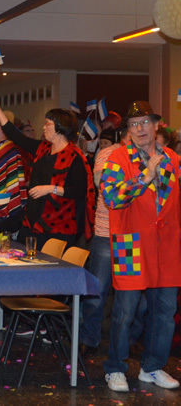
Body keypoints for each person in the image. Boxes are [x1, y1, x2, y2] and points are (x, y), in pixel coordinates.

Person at [100, 101, 181, 392]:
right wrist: (144, 177)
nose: (140, 128)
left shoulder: (172, 158)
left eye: (145, 122)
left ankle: (153, 367)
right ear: (128, 130)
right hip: (130, 245)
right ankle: (115, 368)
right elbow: (111, 198)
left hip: (166, 246)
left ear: (156, 125)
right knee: (125, 312)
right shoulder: (118, 158)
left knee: (165, 312)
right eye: (134, 124)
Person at [0, 94, 95, 248]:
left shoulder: (74, 157)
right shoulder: (42, 148)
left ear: (61, 127)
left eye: (47, 123)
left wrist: (51, 189)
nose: (43, 127)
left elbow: (80, 191)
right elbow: (16, 136)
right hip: (32, 223)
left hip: (58, 228)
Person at [78, 125, 128, 357]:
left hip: (131, 238)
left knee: (130, 297)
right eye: (135, 127)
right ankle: (89, 338)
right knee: (97, 292)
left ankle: (125, 341)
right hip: (106, 233)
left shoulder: (146, 157)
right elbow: (104, 184)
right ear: (125, 134)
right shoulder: (108, 153)